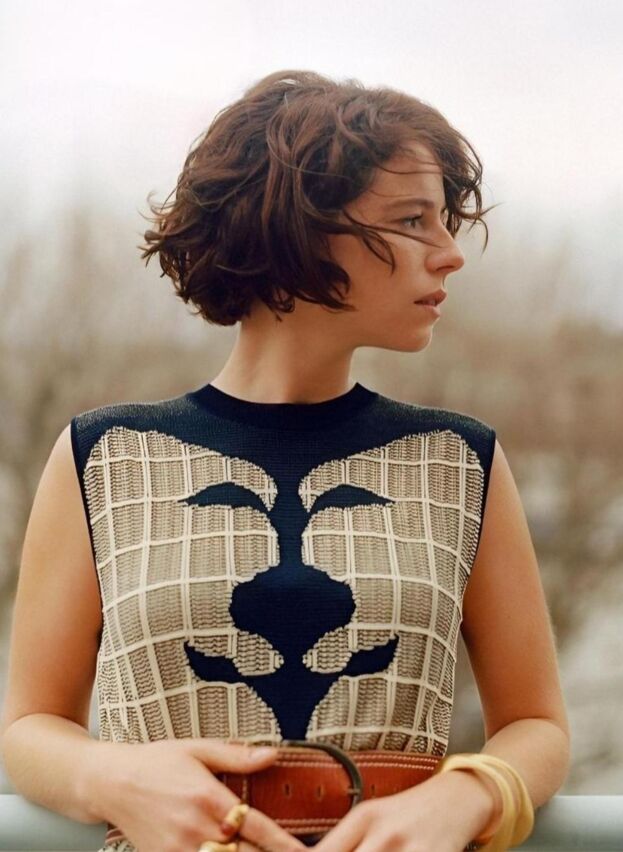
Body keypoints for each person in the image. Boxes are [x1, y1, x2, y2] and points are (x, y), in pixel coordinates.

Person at [0, 69, 570, 852]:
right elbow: (30, 726)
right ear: (296, 227)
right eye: (413, 220)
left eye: (445, 222)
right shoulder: (104, 457)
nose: (449, 256)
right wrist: (115, 779)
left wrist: (464, 796)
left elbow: (537, 724)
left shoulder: (460, 461)